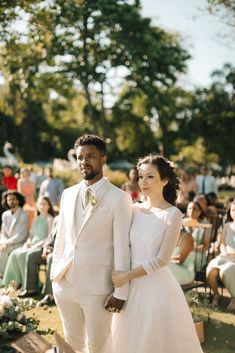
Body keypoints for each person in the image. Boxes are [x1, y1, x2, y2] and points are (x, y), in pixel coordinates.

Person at [104, 154, 203, 353]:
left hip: (154, 286)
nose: (143, 182)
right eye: (140, 177)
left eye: (150, 176)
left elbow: (161, 260)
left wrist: (127, 276)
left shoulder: (173, 215)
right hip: (126, 287)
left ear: (164, 180)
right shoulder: (133, 209)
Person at [51, 134, 133, 353]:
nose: (84, 162)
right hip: (65, 285)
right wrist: (54, 275)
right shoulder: (67, 194)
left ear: (103, 159)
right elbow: (62, 237)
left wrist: (121, 292)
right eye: (79, 157)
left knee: (99, 347)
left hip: (98, 288)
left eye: (90, 156)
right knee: (71, 345)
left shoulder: (119, 198)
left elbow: (122, 246)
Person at [2, 196, 54, 290]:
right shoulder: (35, 219)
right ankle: (17, 281)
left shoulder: (50, 219)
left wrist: (35, 245)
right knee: (14, 253)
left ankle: (30, 283)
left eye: (44, 204)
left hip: (41, 246)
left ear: (49, 206)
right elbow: (31, 235)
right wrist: (28, 242)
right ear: (37, 206)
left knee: (21, 255)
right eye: (40, 204)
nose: (42, 206)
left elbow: (49, 237)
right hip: (32, 244)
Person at [17, 215, 59, 302]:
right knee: (31, 255)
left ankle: (50, 295)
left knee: (51, 258)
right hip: (49, 248)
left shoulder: (71, 217)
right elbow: (50, 237)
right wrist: (46, 247)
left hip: (61, 252)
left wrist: (51, 250)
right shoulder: (57, 219)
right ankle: (32, 290)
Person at [206, 200, 235, 310]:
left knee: (225, 271)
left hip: (233, 258)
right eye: (232, 210)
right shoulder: (227, 225)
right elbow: (222, 243)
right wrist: (223, 251)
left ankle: (234, 298)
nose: (234, 212)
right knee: (210, 271)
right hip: (225, 256)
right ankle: (216, 295)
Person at [0, 191, 29, 283]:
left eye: (13, 199)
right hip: (6, 243)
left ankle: (5, 279)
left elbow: (21, 235)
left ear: (18, 201)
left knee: (3, 250)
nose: (11, 201)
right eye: (9, 200)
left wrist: (6, 243)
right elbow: (3, 233)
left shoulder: (24, 215)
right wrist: (4, 242)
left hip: (20, 243)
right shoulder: (5, 215)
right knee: (3, 248)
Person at [184, 201, 211, 271]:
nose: (191, 211)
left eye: (194, 209)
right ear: (187, 210)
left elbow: (206, 246)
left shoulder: (205, 225)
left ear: (199, 212)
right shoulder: (182, 222)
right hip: (183, 251)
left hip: (198, 253)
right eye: (189, 208)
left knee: (189, 258)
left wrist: (190, 248)